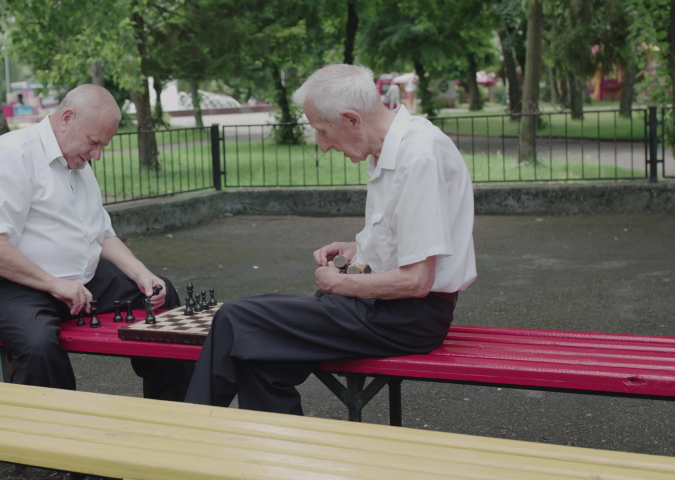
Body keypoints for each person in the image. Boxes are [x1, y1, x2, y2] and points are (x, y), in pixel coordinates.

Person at [184, 64, 476, 415]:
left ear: (352, 119)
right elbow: (411, 240)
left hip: (405, 318)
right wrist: (358, 248)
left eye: (323, 131)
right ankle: (281, 464)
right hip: (386, 310)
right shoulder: (394, 148)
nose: (322, 146)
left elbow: (417, 280)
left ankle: (184, 438)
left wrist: (338, 284)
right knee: (257, 356)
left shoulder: (418, 156)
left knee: (235, 318)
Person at [0, 84, 192, 401]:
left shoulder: (77, 161)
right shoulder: (13, 153)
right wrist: (53, 283)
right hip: (4, 284)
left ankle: (175, 414)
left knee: (162, 296)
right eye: (94, 142)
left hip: (76, 282)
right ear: (67, 117)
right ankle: (56, 439)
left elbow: (102, 235)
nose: (96, 154)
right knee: (39, 345)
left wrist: (141, 274)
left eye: (102, 146)